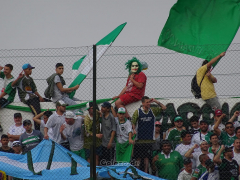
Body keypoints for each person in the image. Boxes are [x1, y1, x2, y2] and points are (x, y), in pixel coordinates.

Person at [132, 96, 166, 173]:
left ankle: (146, 172)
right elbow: (133, 122)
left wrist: (156, 101)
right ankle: (137, 172)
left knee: (147, 157)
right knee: (138, 157)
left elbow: (164, 108)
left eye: (149, 102)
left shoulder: (152, 110)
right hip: (139, 139)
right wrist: (133, 130)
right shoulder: (138, 111)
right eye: (147, 102)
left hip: (149, 139)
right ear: (143, 103)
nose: (148, 103)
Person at [11, 63, 51, 130]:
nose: (30, 71)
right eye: (29, 69)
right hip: (27, 98)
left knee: (48, 101)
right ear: (24, 70)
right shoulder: (21, 78)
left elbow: (34, 89)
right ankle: (37, 130)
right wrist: (18, 78)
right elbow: (12, 85)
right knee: (37, 113)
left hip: (33, 97)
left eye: (31, 69)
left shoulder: (30, 79)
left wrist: (40, 97)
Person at [100, 101, 116, 166]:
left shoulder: (111, 117)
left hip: (109, 143)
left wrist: (110, 142)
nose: (101, 108)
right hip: (103, 143)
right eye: (102, 107)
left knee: (109, 161)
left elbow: (114, 130)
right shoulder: (102, 115)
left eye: (103, 107)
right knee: (103, 160)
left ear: (108, 109)